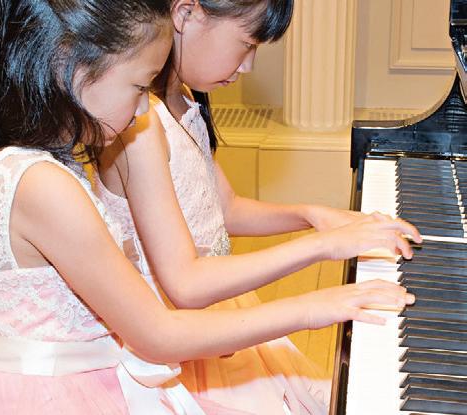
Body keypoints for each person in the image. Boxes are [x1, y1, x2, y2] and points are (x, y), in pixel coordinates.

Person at [97, 1, 422, 414]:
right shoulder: (140, 124)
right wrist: (322, 248)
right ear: (186, 14)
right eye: (247, 43)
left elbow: (225, 209)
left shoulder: (182, 99)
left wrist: (311, 216)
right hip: (177, 345)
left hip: (219, 316)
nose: (248, 66)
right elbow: (186, 283)